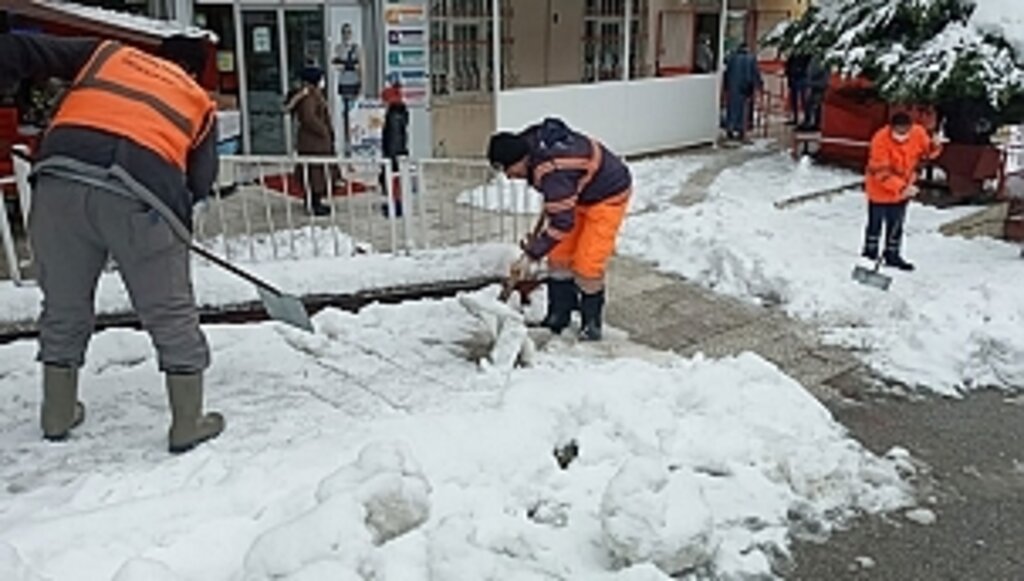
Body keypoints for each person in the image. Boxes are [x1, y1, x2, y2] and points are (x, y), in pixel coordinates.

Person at [0, 32, 224, 453]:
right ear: (195, 72)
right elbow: (200, 182)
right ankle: (188, 422)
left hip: (58, 182)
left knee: (63, 305)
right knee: (169, 310)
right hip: (141, 196)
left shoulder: (107, 55)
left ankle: (57, 412)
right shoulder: (199, 102)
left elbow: (25, 48)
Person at [487, 118, 632, 341]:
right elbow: (560, 202)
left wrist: (534, 252)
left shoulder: (552, 171)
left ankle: (591, 325)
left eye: (508, 168)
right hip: (578, 192)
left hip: (608, 196)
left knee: (587, 264)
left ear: (520, 159)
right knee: (558, 257)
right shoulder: (528, 146)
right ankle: (559, 315)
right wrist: (544, 238)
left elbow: (562, 222)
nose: (508, 176)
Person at [863, 112, 943, 271]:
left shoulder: (918, 133)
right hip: (879, 189)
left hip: (904, 187)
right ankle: (869, 254)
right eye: (898, 131)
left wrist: (935, 145)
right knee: (875, 224)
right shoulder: (880, 140)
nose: (902, 135)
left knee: (896, 224)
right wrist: (902, 188)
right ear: (891, 128)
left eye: (905, 131)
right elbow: (880, 172)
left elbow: (927, 153)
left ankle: (892, 254)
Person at [285, 65, 335, 216]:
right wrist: (323, 131)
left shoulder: (310, 94)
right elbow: (309, 117)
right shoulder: (309, 96)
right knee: (315, 172)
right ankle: (314, 204)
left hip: (312, 140)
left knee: (314, 172)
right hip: (313, 142)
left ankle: (314, 201)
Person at [378, 74, 409, 216]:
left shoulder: (393, 116)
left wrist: (391, 155)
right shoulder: (398, 113)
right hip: (397, 151)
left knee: (393, 179)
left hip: (394, 152)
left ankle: (396, 206)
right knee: (394, 180)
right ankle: (395, 204)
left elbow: (394, 138)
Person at [723, 43, 762, 142]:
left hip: (733, 87)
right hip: (745, 87)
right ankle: (741, 130)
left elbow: (727, 73)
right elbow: (755, 73)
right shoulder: (751, 58)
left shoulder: (732, 58)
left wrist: (726, 87)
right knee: (743, 110)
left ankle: (730, 128)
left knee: (732, 108)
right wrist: (758, 85)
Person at [801, 55, 828, 131]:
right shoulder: (814, 59)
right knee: (810, 104)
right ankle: (809, 122)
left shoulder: (822, 60)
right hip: (814, 84)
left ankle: (815, 123)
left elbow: (820, 73)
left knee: (816, 105)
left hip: (818, 85)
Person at [784, 51, 810, 126]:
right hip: (794, 78)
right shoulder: (793, 54)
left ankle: (806, 119)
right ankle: (795, 118)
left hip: (802, 77)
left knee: (803, 99)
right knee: (794, 99)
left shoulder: (806, 54)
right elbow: (789, 65)